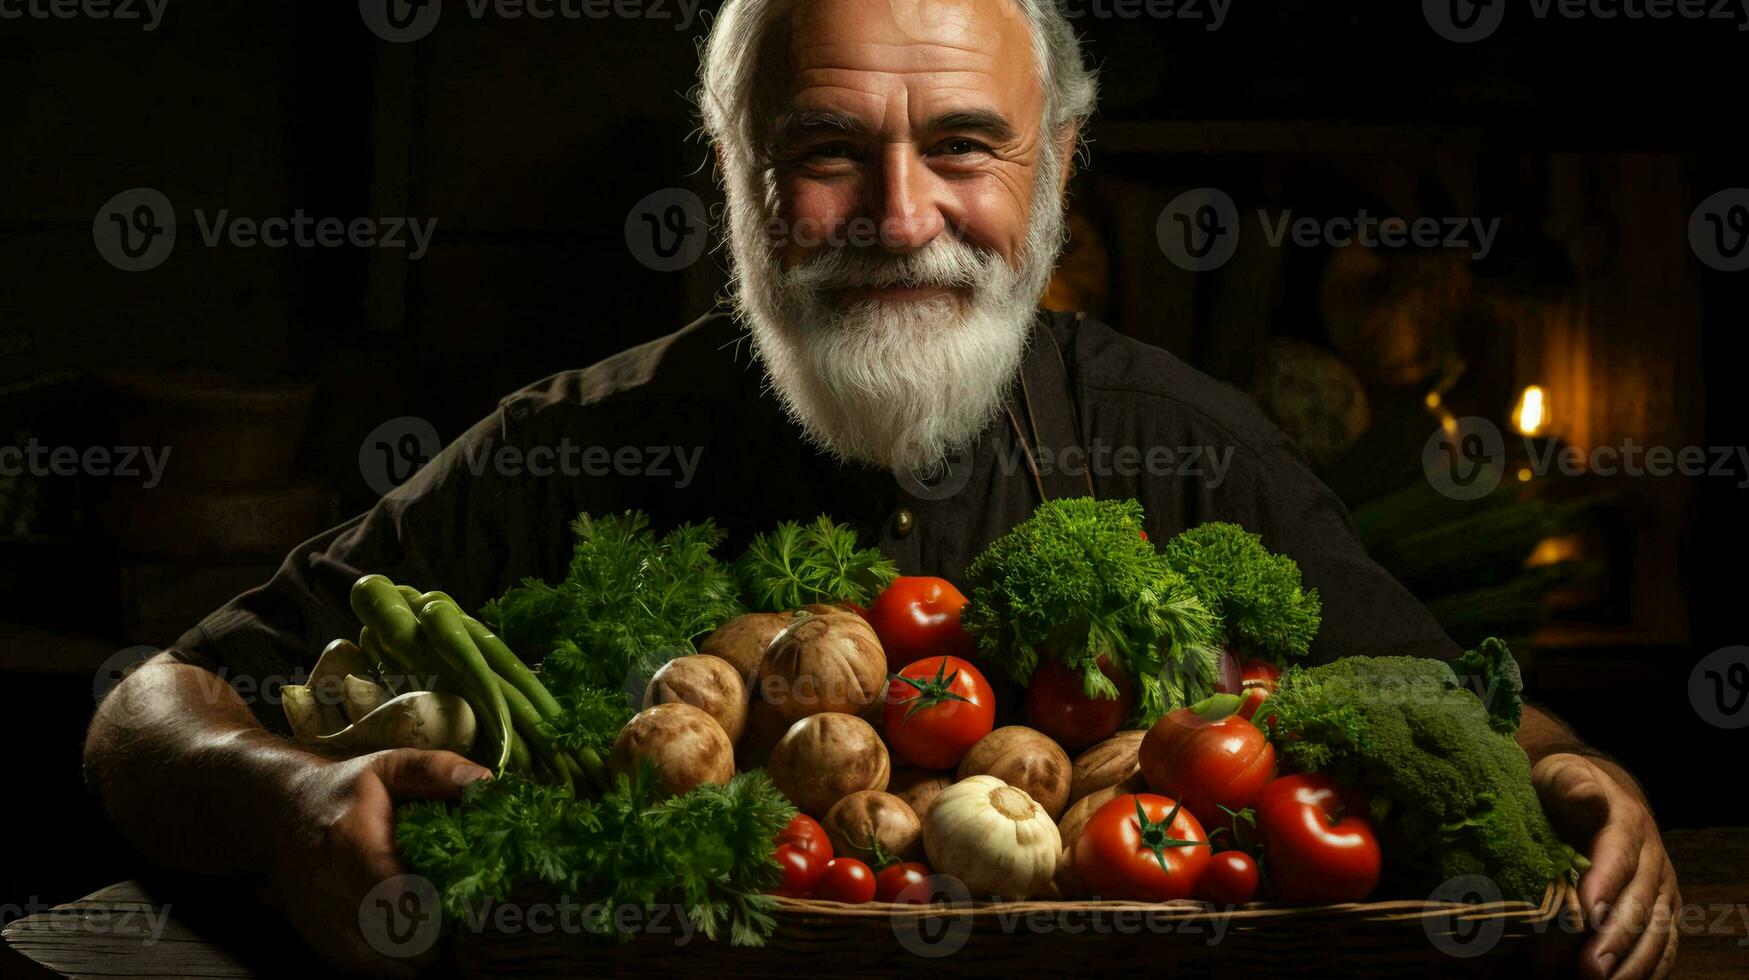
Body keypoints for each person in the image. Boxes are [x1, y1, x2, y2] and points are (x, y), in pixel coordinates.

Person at [83, 1, 1678, 977]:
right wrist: (282, 794)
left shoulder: (1176, 437)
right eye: (829, 147)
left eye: (966, 146)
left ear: (1054, 170)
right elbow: (148, 707)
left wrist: (1583, 779)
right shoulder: (572, 442)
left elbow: (1439, 694)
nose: (901, 214)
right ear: (736, 171)